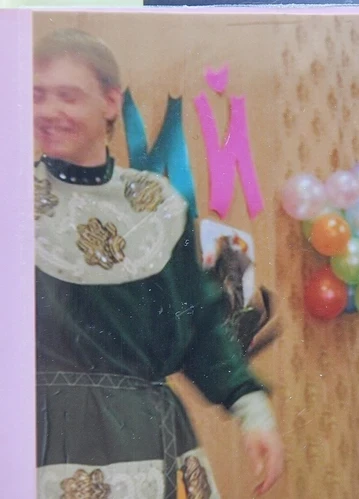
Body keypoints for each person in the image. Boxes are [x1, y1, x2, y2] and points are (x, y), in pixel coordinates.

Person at [33, 28, 283, 498]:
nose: (48, 111)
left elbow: (201, 325)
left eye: (67, 95)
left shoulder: (158, 207)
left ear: (110, 101)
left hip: (148, 442)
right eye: (37, 95)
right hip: (39, 442)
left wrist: (253, 411)